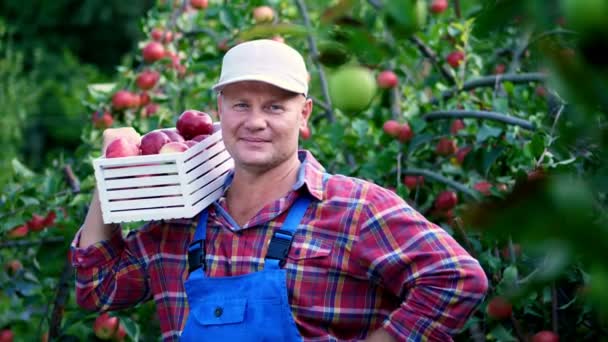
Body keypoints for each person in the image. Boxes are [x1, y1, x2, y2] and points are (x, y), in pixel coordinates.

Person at [72, 39, 488, 341]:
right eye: (240, 105)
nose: (255, 121)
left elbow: (457, 278)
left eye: (275, 106)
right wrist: (111, 171)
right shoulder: (181, 220)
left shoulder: (355, 208)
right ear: (218, 110)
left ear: (304, 114)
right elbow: (97, 289)